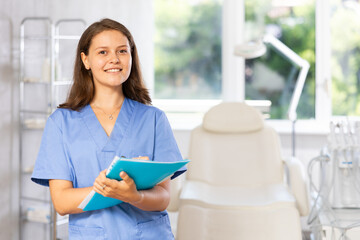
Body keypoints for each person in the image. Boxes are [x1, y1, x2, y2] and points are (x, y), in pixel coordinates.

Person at [31, 18, 186, 240]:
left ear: (131, 57)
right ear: (86, 60)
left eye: (122, 51)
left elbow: (163, 197)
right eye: (102, 52)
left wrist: (135, 196)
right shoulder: (61, 123)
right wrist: (111, 190)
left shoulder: (154, 119)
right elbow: (62, 202)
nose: (114, 59)